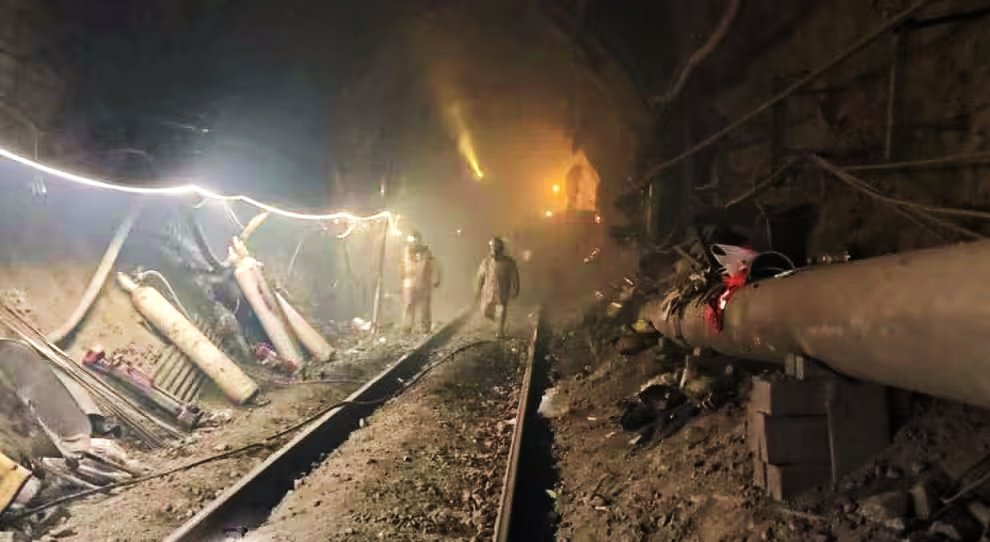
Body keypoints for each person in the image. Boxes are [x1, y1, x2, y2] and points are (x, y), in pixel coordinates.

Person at [476, 236, 520, 338]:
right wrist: (478, 288)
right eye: (492, 247)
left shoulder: (509, 262)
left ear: (501, 249)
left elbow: (514, 276)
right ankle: (497, 322)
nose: (494, 250)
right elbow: (480, 276)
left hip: (502, 291)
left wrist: (515, 289)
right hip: (488, 292)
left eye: (496, 247)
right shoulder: (486, 261)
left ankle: (500, 331)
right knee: (485, 311)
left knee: (501, 310)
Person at [400, 230, 440, 333]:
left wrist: (436, 278)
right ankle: (407, 328)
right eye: (412, 239)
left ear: (419, 240)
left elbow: (434, 265)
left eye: (415, 239)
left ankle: (425, 329)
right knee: (409, 306)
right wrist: (403, 277)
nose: (414, 242)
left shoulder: (426, 252)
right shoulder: (405, 252)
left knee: (424, 308)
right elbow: (401, 267)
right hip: (409, 285)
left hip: (423, 284)